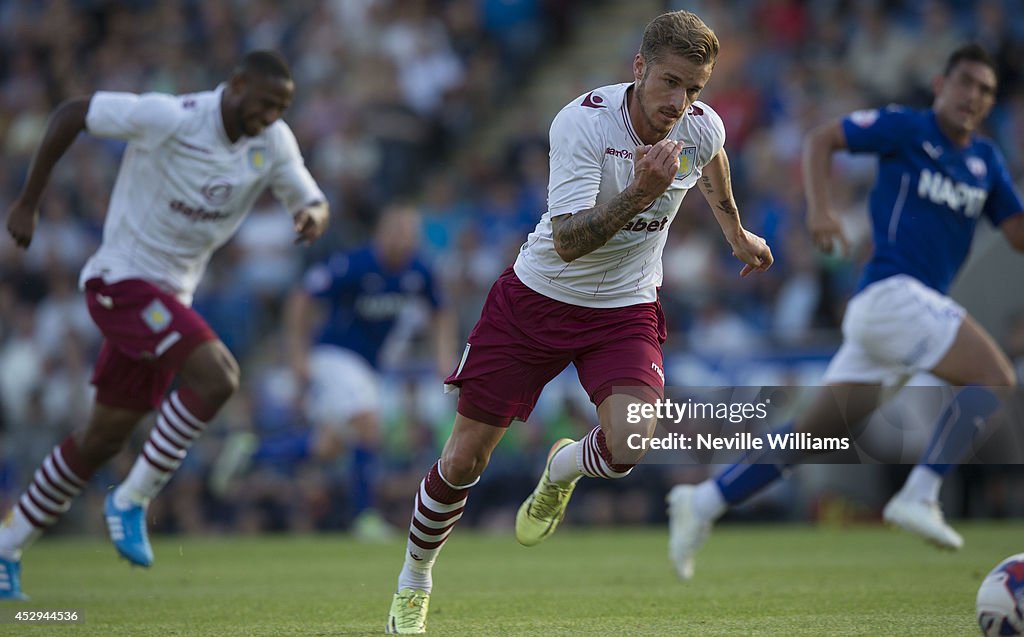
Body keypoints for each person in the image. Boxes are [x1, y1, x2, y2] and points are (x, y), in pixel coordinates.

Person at [385, 10, 773, 634]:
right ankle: (415, 578)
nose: (681, 102)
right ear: (639, 67)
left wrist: (735, 230)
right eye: (671, 82)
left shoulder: (700, 128)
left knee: (631, 444)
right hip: (537, 299)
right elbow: (567, 242)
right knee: (462, 462)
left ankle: (564, 466)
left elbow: (715, 156)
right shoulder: (582, 122)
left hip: (623, 309)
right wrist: (639, 195)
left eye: (695, 89)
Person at [667, 42, 1024, 581]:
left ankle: (704, 501)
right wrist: (821, 208)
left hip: (902, 315)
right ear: (941, 85)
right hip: (892, 294)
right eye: (965, 83)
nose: (973, 96)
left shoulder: (986, 162)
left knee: (811, 438)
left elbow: (1017, 234)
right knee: (995, 377)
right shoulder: (908, 129)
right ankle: (921, 494)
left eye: (985, 91)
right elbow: (823, 137)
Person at [0, 50, 329, 600]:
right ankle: (132, 498)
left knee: (102, 439)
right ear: (237, 84)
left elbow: (309, 194)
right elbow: (72, 113)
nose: (272, 116)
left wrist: (312, 216)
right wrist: (29, 202)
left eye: (283, 108)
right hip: (120, 281)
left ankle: (6, 548)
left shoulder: (272, 142)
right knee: (218, 375)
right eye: (266, 103)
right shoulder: (170, 117)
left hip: (168, 299)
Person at [213, 203, 455, 540]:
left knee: (327, 446)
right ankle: (364, 518)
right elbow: (302, 298)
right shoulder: (356, 265)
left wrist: (445, 358)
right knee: (368, 423)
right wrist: (297, 356)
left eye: (410, 232)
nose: (403, 239)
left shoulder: (419, 271)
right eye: (396, 230)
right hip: (333, 355)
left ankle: (252, 453)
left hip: (369, 367)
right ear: (381, 232)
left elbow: (441, 312)